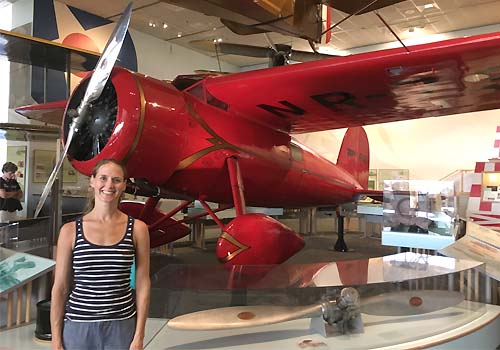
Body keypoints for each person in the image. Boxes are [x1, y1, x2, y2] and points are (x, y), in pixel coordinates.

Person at [51, 159, 150, 350]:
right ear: (92, 181)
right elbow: (60, 287)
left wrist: (139, 335)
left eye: (116, 180)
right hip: (79, 326)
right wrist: (56, 340)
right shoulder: (70, 231)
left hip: (121, 326)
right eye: (103, 178)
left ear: (124, 185)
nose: (109, 185)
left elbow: (143, 283)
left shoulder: (137, 229)